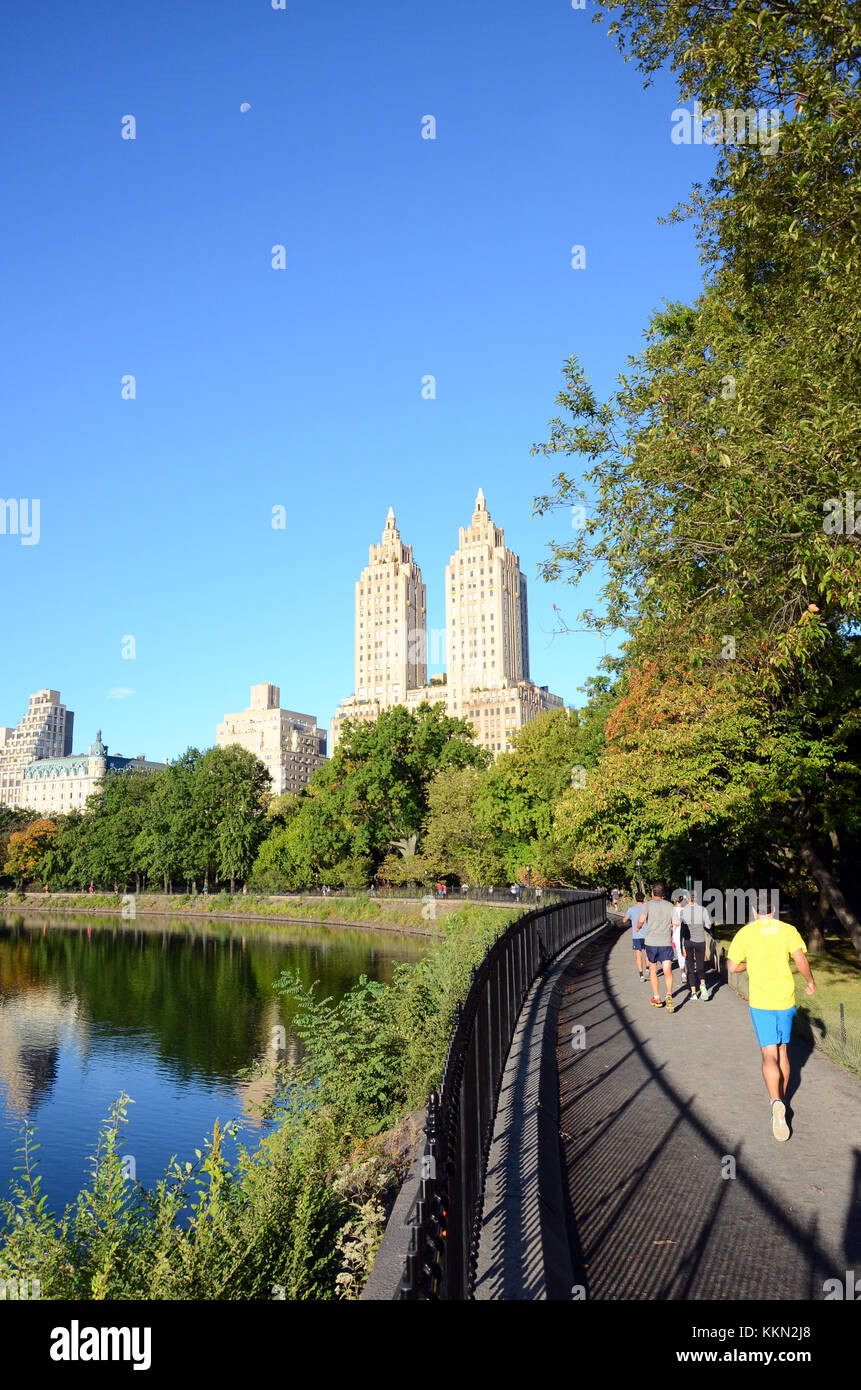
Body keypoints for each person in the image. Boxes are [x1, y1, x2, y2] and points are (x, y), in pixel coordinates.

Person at [727, 903, 816, 1142]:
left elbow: (733, 967)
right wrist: (811, 982)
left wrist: (751, 964)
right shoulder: (788, 930)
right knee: (784, 1052)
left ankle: (775, 1101)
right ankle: (782, 1102)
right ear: (774, 909)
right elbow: (800, 959)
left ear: (755, 910)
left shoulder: (745, 933)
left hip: (761, 1002)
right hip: (785, 1000)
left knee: (769, 1054)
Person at [638, 882, 676, 1011]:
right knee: (667, 970)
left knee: (653, 970)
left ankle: (657, 998)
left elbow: (641, 920)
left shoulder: (647, 905)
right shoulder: (671, 906)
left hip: (651, 943)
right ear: (663, 894)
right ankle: (669, 994)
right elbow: (675, 923)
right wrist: (668, 927)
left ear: (653, 893)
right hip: (665, 942)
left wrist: (638, 927)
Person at [680, 889, 712, 1001]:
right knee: (700, 965)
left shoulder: (683, 912)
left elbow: (682, 931)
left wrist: (682, 947)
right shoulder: (703, 910)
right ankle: (703, 985)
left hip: (688, 942)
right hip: (700, 941)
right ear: (697, 899)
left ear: (687, 899)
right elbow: (708, 925)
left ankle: (693, 993)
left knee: (690, 967)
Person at [626, 891, 648, 982]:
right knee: (648, 954)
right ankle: (648, 969)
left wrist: (628, 917)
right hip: (647, 935)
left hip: (636, 936)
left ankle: (641, 975)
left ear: (635, 899)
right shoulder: (647, 908)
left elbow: (624, 920)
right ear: (644, 899)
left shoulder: (631, 909)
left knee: (638, 956)